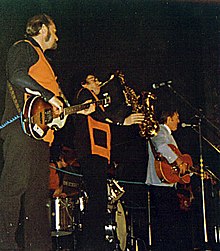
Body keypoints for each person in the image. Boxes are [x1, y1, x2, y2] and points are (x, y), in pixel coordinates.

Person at [0, 14, 93, 251]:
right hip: (21, 129)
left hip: (41, 137)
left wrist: (77, 111)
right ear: (42, 29)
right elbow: (17, 75)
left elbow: (56, 109)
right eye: (54, 30)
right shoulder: (24, 47)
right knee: (13, 188)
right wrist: (47, 94)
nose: (58, 37)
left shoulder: (47, 66)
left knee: (37, 199)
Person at [72, 73, 144, 251]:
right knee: (97, 200)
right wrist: (122, 121)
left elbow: (108, 114)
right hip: (90, 152)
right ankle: (91, 246)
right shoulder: (83, 94)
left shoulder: (98, 99)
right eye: (93, 79)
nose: (97, 81)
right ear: (84, 84)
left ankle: (94, 244)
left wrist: (126, 104)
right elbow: (98, 115)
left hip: (99, 154)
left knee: (100, 201)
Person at [145, 109, 190, 251]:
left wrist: (191, 172)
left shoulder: (168, 134)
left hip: (167, 185)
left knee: (170, 225)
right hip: (160, 185)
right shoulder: (159, 130)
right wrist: (178, 161)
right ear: (168, 118)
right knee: (167, 226)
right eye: (176, 117)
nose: (178, 121)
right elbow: (162, 147)